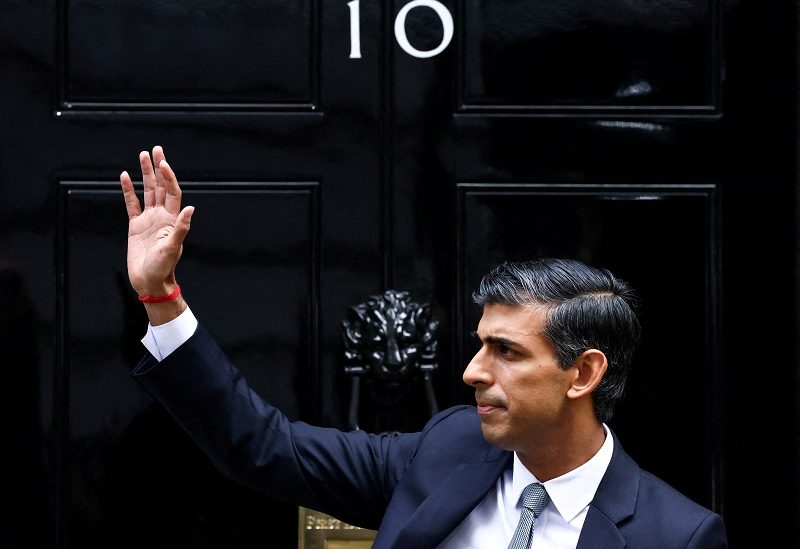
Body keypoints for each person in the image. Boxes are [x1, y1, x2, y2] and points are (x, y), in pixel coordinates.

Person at [120, 146, 728, 549]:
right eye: (478, 345)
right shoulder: (447, 448)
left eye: (507, 352)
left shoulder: (674, 535)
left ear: (583, 373)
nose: (471, 372)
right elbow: (261, 446)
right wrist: (161, 297)